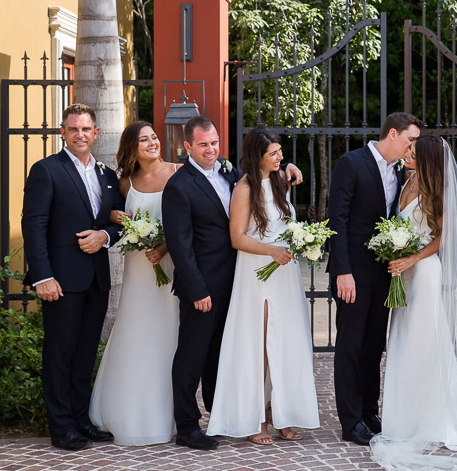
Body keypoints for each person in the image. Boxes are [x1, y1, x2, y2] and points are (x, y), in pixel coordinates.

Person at [162, 116, 302, 450]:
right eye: (202, 145)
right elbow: (180, 245)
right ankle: (187, 427)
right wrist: (197, 290)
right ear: (187, 147)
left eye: (213, 143)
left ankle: (220, 414)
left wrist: (288, 165)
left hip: (237, 282)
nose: (210, 150)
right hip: (204, 285)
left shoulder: (228, 174)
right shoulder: (179, 187)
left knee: (219, 355)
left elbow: (262, 173)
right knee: (191, 356)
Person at [370, 136, 457, 471]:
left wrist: (411, 257)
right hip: (405, 274)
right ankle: (404, 417)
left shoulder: (437, 190)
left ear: (427, 158)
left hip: (426, 275)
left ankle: (433, 417)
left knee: (426, 344)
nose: (407, 152)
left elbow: (445, 237)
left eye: (414, 151)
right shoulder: (405, 181)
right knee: (404, 345)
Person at [207, 127, 319, 444]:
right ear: (258, 156)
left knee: (284, 342)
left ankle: (278, 411)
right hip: (258, 272)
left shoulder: (280, 180)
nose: (281, 157)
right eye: (274, 153)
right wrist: (272, 250)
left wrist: (299, 242)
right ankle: (255, 417)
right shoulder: (244, 189)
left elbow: (283, 221)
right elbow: (237, 237)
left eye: (280, 152)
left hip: (285, 272)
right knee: (260, 344)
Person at [22, 103, 124, 450]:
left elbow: (116, 221)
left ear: (96, 133)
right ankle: (61, 426)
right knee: (59, 354)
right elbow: (33, 226)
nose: (80, 135)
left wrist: (105, 236)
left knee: (84, 354)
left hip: (96, 279)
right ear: (62, 132)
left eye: (86, 129)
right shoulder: (46, 170)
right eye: (73, 129)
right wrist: (42, 277)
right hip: (61, 281)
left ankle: (81, 419)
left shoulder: (107, 175)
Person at [328, 112, 422, 446]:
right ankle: (350, 421)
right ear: (393, 134)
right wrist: (342, 271)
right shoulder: (351, 163)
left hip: (382, 274)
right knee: (350, 347)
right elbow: (336, 220)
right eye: (410, 140)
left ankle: (370, 412)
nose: (413, 147)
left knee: (373, 348)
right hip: (352, 274)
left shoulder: (399, 172)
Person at [90, 121, 180, 445]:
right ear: (132, 147)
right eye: (144, 139)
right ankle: (127, 412)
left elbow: (187, 220)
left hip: (168, 266)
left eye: (154, 137)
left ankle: (165, 415)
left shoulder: (178, 172)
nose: (152, 142)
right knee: (134, 331)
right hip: (138, 270)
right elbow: (106, 212)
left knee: (167, 335)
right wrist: (116, 216)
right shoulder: (124, 182)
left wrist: (164, 247)